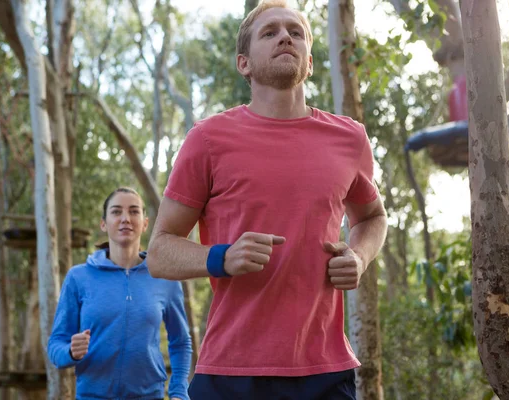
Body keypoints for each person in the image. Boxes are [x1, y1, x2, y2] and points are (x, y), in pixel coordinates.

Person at [146, 0, 388, 399]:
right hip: (230, 372)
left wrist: (359, 257)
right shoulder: (207, 140)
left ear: (309, 63)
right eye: (270, 31)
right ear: (244, 63)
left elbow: (373, 217)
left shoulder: (350, 138)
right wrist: (220, 257)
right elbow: (158, 251)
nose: (285, 37)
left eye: (296, 32)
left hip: (325, 373)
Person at [48, 187, 192, 400]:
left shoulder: (164, 277)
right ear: (103, 223)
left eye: (134, 211)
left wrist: (179, 392)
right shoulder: (79, 278)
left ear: (145, 223)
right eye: (116, 212)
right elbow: (55, 346)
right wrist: (70, 351)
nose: (125, 218)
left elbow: (180, 341)